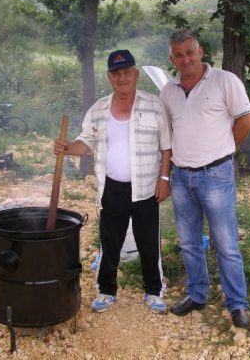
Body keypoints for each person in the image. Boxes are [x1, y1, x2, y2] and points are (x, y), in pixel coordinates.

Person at [54, 49, 172, 315]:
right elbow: (86, 143)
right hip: (112, 188)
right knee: (109, 242)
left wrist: (164, 178)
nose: (122, 78)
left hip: (145, 187)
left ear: (135, 74)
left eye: (126, 72)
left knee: (148, 243)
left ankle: (153, 292)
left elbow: (166, 147)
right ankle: (107, 291)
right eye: (116, 73)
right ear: (109, 77)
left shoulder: (154, 105)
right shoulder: (98, 110)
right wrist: (68, 147)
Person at [159, 30, 250, 327]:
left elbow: (246, 121)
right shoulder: (168, 91)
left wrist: (224, 151)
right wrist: (166, 174)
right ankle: (197, 294)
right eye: (178, 54)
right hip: (180, 177)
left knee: (226, 243)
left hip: (216, 174)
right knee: (189, 243)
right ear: (172, 58)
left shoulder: (225, 81)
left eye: (190, 52)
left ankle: (237, 303)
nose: (185, 59)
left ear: (200, 52)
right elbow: (168, 137)